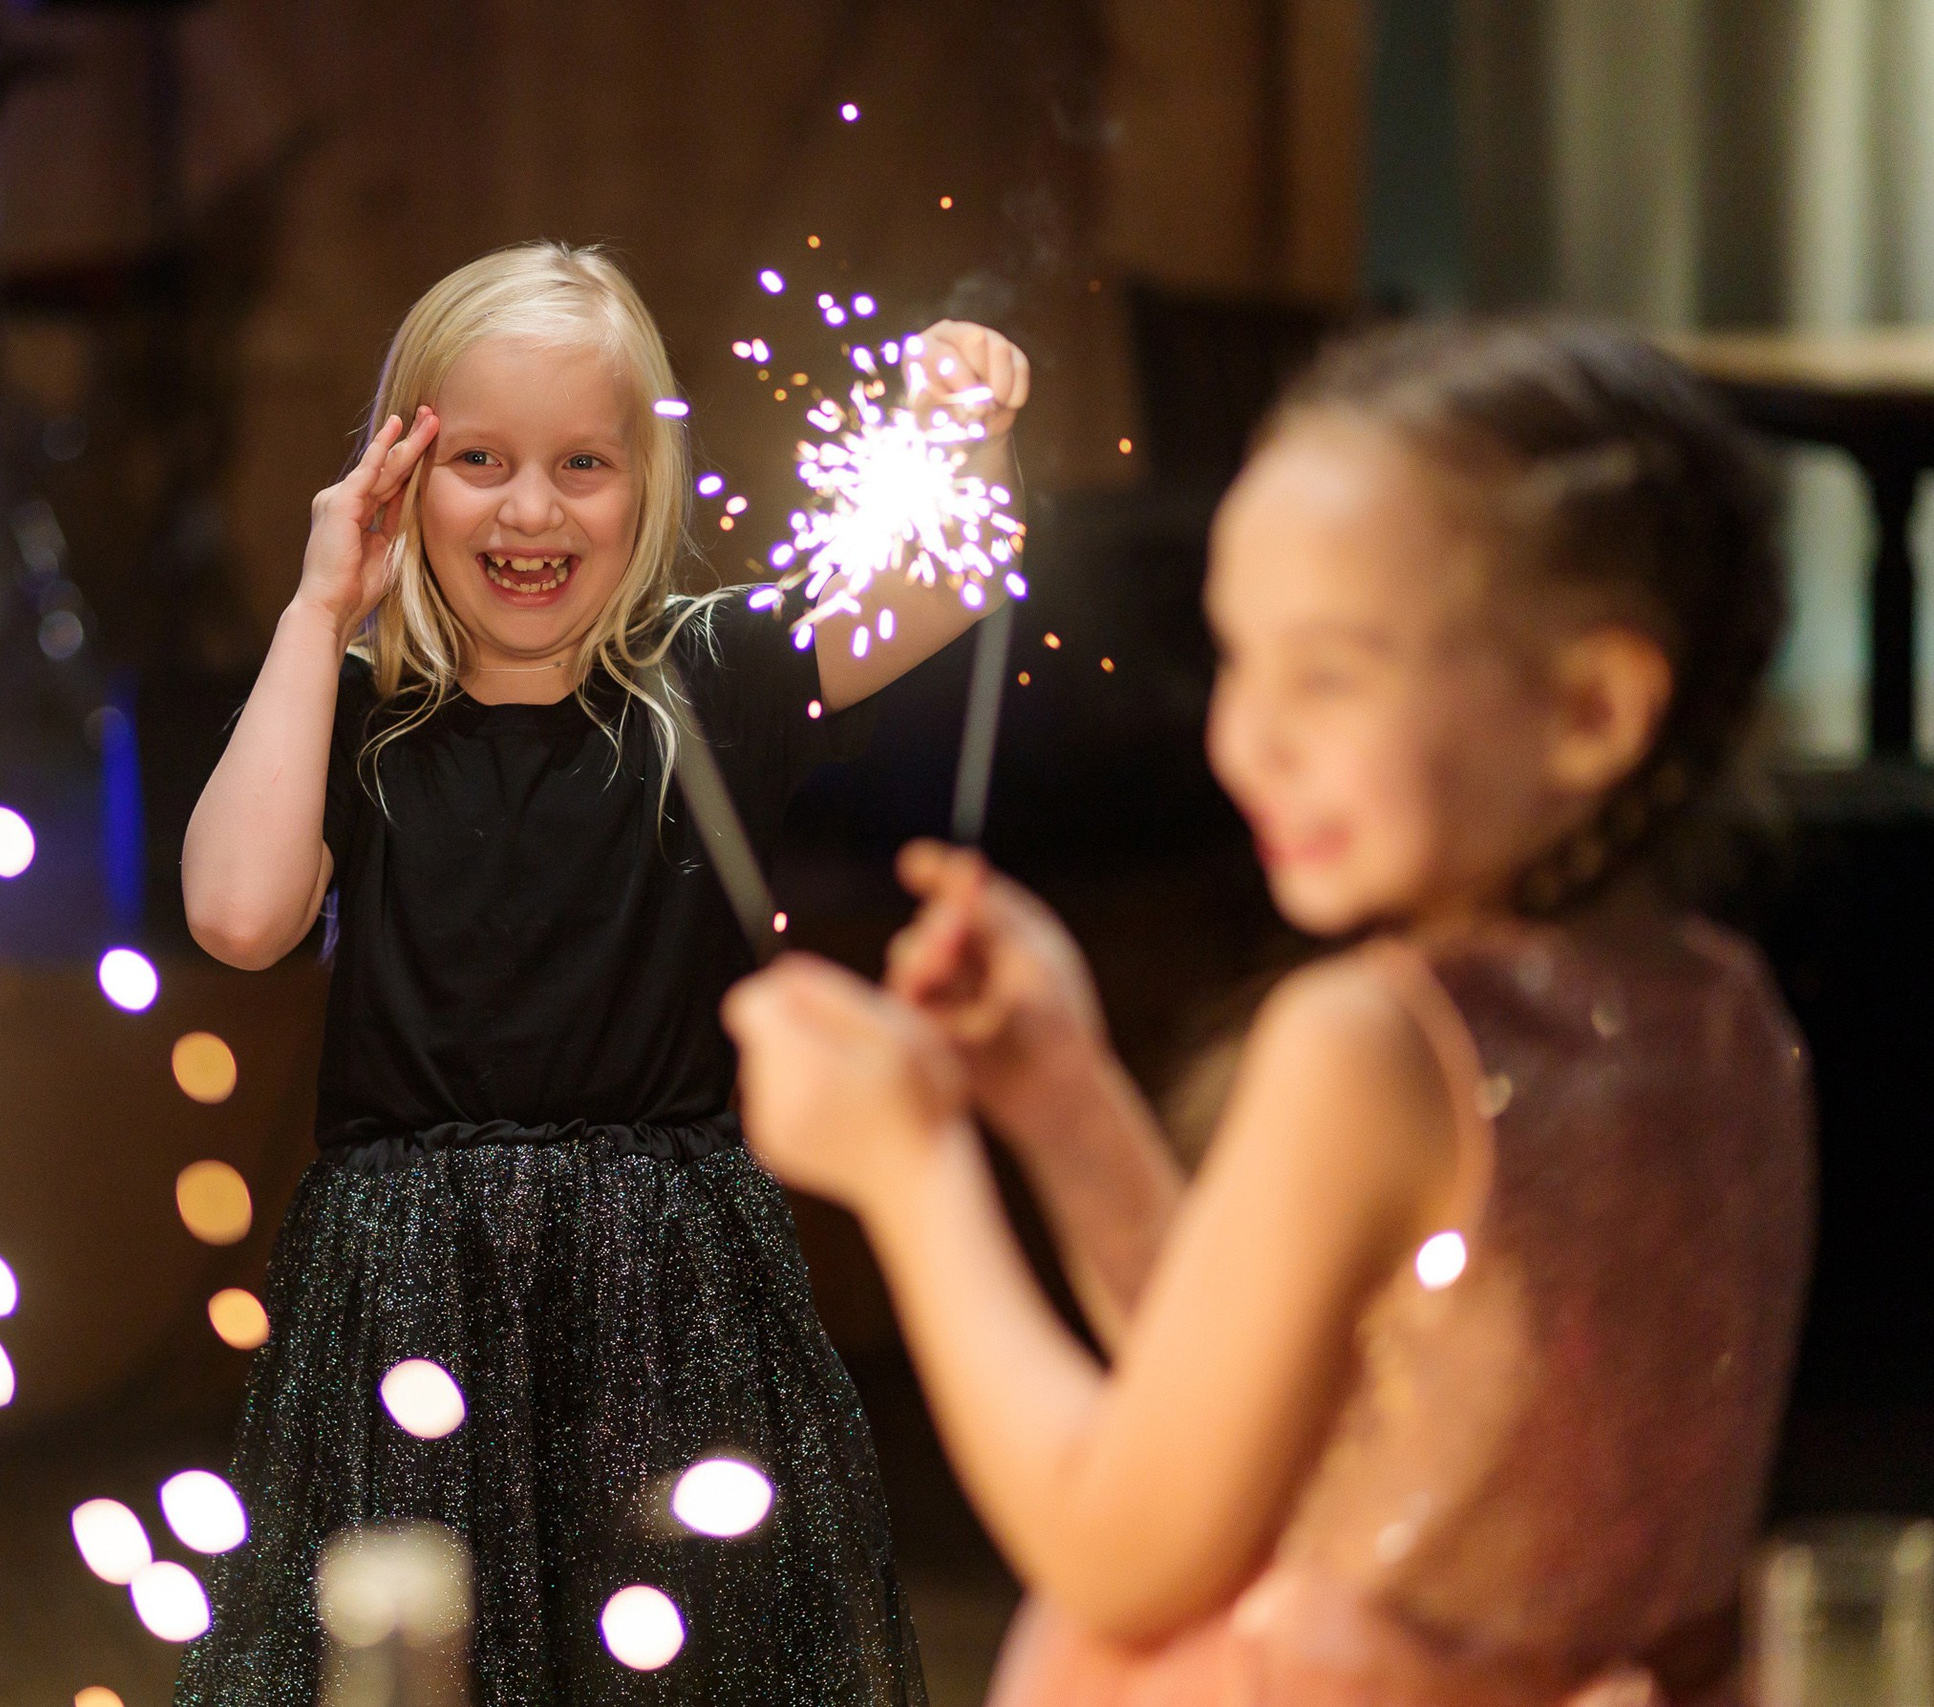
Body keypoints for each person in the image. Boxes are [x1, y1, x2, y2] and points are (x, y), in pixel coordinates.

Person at [724, 322, 1815, 1707]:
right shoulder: (1727, 1007)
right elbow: (1291, 1403)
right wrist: (1062, 1098)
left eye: (1331, 674)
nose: (1249, 738)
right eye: (1240, 659)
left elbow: (1124, 1543)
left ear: (1589, 710)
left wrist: (914, 1172)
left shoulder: (1371, 1044)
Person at [174, 240, 1030, 1704]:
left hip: (672, 1286)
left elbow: (941, 583)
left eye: (583, 463)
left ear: (647, 485)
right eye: (481, 461)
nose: (529, 508)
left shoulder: (713, 677)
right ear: (398, 479)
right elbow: (241, 916)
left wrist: (972, 433)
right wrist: (321, 610)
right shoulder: (358, 711)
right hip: (402, 1301)